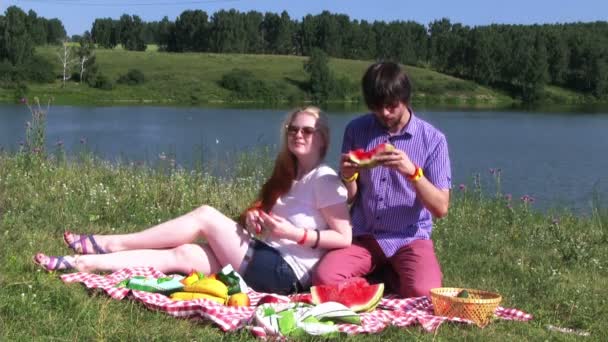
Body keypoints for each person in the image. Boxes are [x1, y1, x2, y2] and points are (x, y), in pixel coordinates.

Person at [34, 106, 352, 295]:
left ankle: (113, 243)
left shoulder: (324, 180)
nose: (298, 134)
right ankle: (84, 263)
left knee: (205, 216)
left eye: (307, 131)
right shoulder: (287, 173)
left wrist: (294, 235)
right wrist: (254, 218)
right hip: (267, 256)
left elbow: (344, 237)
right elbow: (268, 218)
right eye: (293, 129)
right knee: (183, 254)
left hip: (287, 274)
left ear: (321, 137)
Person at [312, 62, 451, 298]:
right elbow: (351, 197)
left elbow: (441, 208)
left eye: (391, 106)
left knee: (424, 291)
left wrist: (413, 173)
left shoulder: (433, 140)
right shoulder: (356, 129)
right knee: (324, 278)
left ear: (405, 99)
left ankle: (382, 275)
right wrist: (347, 176)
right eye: (377, 107)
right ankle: (384, 278)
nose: (384, 114)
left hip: (409, 237)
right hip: (366, 235)